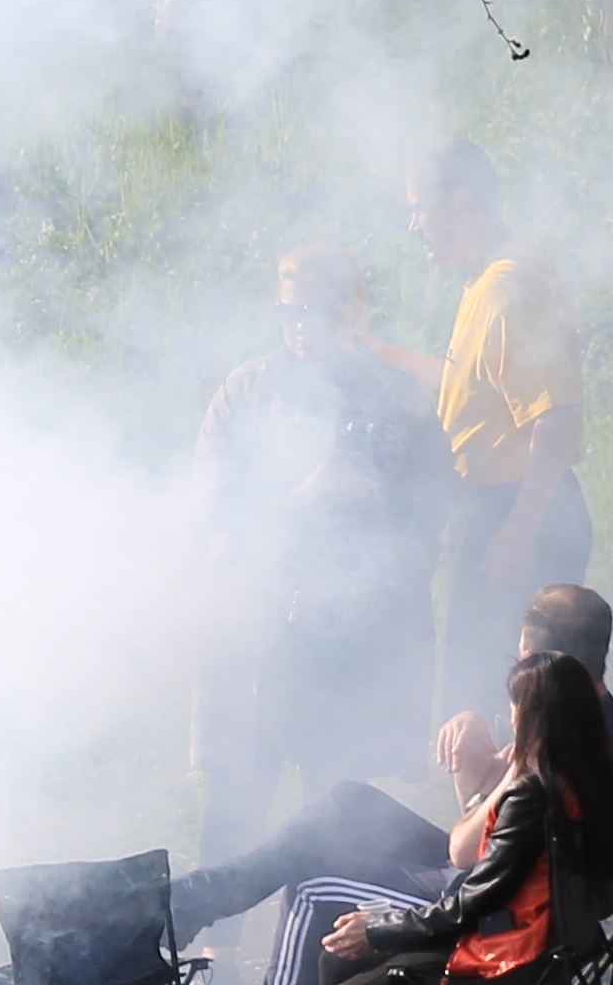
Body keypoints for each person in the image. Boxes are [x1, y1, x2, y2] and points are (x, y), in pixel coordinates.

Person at [122, 647, 613, 985]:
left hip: (502, 961)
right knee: (337, 959)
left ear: (532, 715)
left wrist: (383, 929)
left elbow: (471, 900)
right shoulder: (586, 778)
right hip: (539, 948)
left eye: (514, 708)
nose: (509, 717)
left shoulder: (533, 792)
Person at [169, 580, 613, 942]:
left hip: (504, 906)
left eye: (523, 656)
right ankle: (196, 900)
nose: (519, 669)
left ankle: (196, 908)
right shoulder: (591, 718)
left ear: (543, 657)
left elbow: (465, 853)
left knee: (318, 861)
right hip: (508, 876)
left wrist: (515, 764)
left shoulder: (565, 741)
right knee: (347, 802)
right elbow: (486, 820)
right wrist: (474, 742)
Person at [186, 248, 438, 851]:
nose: (299, 323)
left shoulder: (397, 396)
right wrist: (302, 498)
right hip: (260, 627)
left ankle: (322, 935)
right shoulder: (247, 392)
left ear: (351, 311)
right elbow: (212, 507)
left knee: (335, 796)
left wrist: (375, 507)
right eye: (288, 309)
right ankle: (216, 942)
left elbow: (434, 508)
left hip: (355, 632)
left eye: (315, 310)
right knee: (238, 790)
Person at [378, 141, 588, 725]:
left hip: (514, 511)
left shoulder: (505, 287)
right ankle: (518, 813)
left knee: (485, 706)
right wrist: (384, 357)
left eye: (420, 209)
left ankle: (508, 817)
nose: (414, 225)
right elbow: (474, 390)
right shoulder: (488, 279)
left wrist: (519, 531)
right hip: (509, 509)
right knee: (505, 705)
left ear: (465, 202)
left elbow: (554, 415)